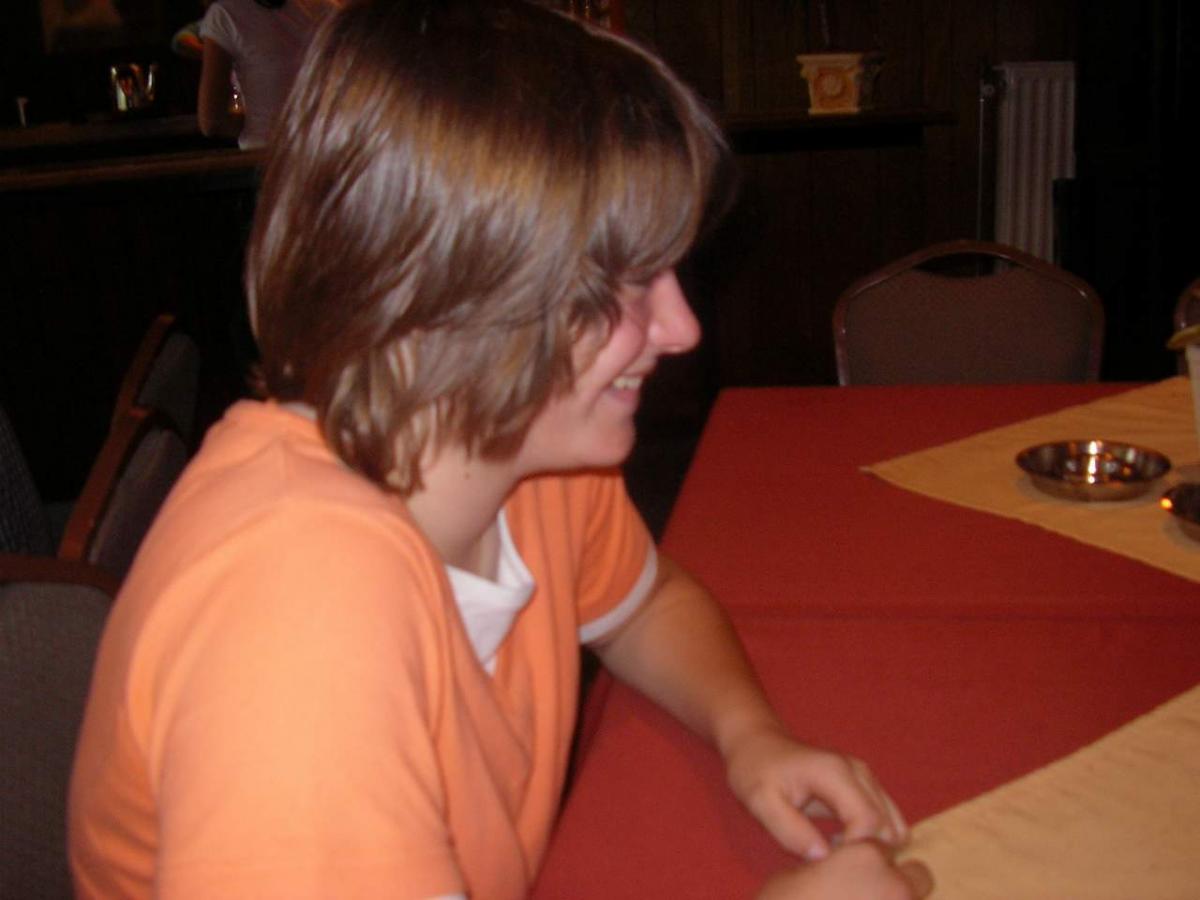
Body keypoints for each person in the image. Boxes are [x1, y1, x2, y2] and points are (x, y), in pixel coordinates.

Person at [69, 2, 931, 898]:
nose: (681, 329)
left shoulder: (514, 446)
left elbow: (641, 604)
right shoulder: (297, 623)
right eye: (620, 281)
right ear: (432, 290)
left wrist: (750, 735)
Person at [196, 0, 337, 148]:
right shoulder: (327, 9)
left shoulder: (226, 14)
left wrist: (261, 123)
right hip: (320, 151)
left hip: (263, 152)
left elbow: (211, 122)